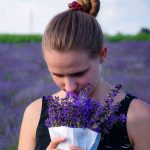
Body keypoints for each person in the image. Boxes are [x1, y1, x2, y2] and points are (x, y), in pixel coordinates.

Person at [18, 0, 150, 149]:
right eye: (58, 75)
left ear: (102, 54)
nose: (69, 87)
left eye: (79, 73)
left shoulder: (140, 116)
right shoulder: (34, 113)